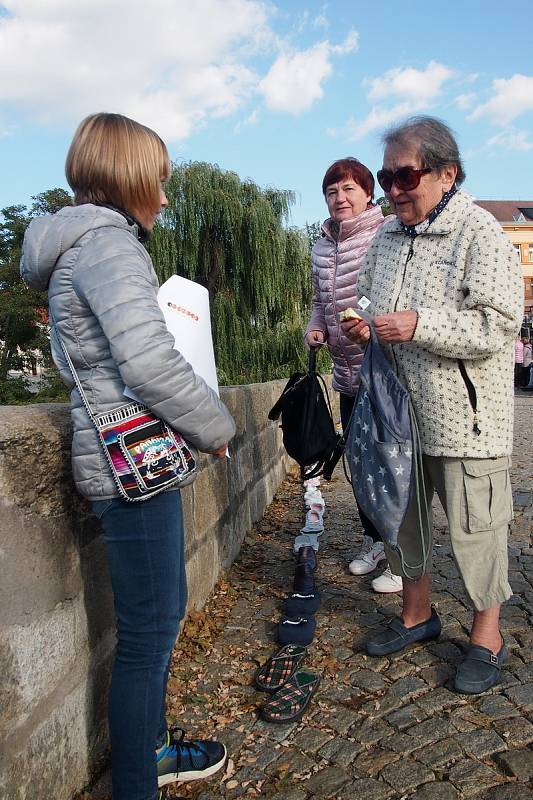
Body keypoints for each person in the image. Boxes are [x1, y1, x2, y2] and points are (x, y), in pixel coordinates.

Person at [21, 113, 236, 800]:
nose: (166, 198)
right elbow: (146, 363)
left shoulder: (70, 245)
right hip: (130, 465)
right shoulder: (109, 247)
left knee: (150, 623)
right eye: (159, 183)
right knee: (149, 634)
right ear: (127, 177)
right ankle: (139, 782)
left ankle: (153, 751)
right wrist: (214, 423)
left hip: (111, 453)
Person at [341, 116, 523, 694]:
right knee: (407, 521)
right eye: (386, 176)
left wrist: (420, 324)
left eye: (405, 175)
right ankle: (418, 616)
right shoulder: (386, 239)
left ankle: (486, 636)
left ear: (446, 174)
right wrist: (363, 326)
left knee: (477, 530)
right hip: (398, 417)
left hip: (467, 420)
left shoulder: (481, 234)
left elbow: (498, 324)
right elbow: (369, 299)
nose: (393, 189)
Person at [304, 157, 402, 593]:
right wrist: (317, 326)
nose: (339, 199)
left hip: (382, 371)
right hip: (346, 374)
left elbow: (391, 293)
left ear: (367, 194)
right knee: (359, 465)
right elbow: (318, 299)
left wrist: (363, 319)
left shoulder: (385, 235)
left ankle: (401, 555)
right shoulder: (322, 245)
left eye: (348, 190)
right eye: (331, 192)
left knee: (390, 464)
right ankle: (374, 541)